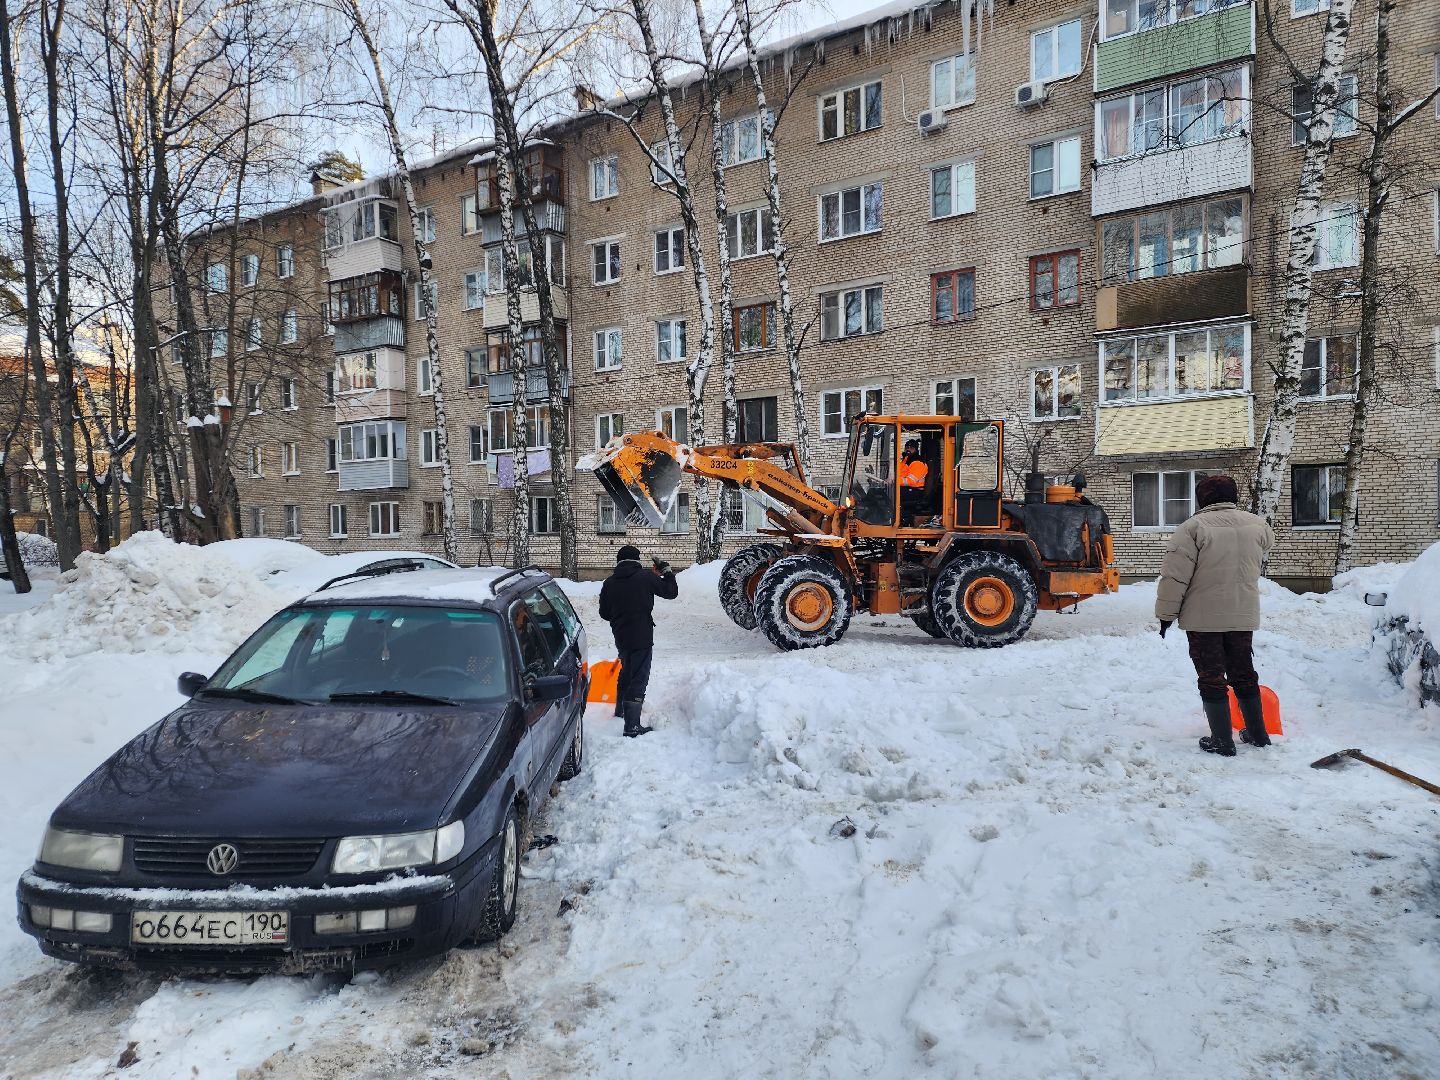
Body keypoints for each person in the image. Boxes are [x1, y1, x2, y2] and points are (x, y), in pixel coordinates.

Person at [1155, 474, 1274, 756]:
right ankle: (1258, 735)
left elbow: (1175, 577)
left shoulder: (1193, 528)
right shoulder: (1258, 525)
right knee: (1244, 673)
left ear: (1204, 497)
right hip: (1242, 615)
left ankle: (1222, 740)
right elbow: (1267, 545)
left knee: (1211, 676)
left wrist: (1165, 615)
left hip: (1203, 619)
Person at [598, 544, 679, 737]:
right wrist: (667, 572)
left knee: (626, 671)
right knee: (639, 677)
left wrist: (621, 617)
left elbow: (604, 613)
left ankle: (620, 712)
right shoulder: (645, 577)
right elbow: (671, 592)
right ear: (637, 560)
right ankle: (632, 726)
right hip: (642, 635)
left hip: (621, 636)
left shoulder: (609, 583)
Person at [899, 439, 929, 522]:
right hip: (908, 489)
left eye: (911, 448)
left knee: (894, 494)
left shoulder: (918, 463)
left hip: (916, 492)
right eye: (906, 447)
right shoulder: (905, 461)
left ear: (916, 449)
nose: (908, 449)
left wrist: (895, 481)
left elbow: (911, 481)